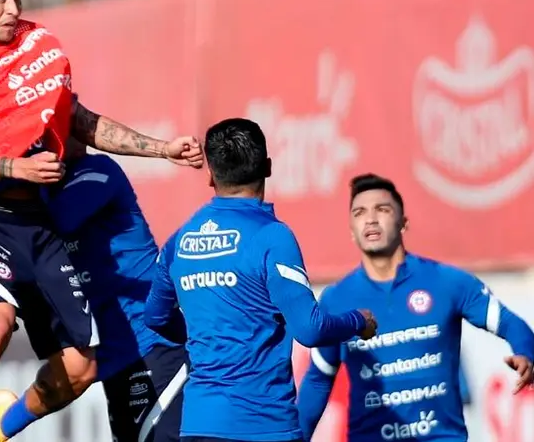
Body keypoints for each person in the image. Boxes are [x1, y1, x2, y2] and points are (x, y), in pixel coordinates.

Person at [0, 0, 204, 442]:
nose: (12, 9)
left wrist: (160, 149)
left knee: (79, 366)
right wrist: (15, 167)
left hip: (34, 225)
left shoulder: (36, 50)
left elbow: (80, 121)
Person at [143, 117, 376, 442]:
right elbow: (309, 329)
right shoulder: (272, 237)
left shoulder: (180, 240)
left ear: (210, 174)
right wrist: (357, 321)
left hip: (199, 424)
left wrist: (200, 340)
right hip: (264, 426)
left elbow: (154, 316)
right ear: (267, 166)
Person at [297, 173, 534, 442]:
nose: (371, 218)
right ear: (352, 230)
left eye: (382, 209)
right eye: (360, 212)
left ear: (403, 223)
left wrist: (526, 352)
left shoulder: (446, 282)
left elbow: (510, 323)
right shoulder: (336, 299)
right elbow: (318, 379)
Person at [47, 130, 188, 442]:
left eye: (78, 119)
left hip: (154, 348)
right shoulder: (45, 190)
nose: (79, 127)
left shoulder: (98, 171)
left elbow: (58, 221)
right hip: (114, 361)